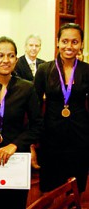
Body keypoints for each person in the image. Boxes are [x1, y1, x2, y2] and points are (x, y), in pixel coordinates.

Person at [0, 36, 43, 209]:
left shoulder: (27, 88)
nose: (6, 60)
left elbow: (37, 125)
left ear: (16, 59)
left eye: (11, 56)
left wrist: (15, 144)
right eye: (0, 55)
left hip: (16, 158)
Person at [34, 23, 89, 197]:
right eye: (65, 41)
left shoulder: (87, 70)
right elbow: (35, 107)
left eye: (75, 42)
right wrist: (33, 143)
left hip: (79, 135)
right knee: (51, 187)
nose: (69, 46)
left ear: (81, 45)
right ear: (57, 42)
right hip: (51, 136)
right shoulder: (44, 70)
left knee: (75, 187)